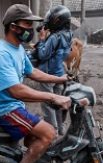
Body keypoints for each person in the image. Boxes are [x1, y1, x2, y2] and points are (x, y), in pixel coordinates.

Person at [0, 4, 71, 163]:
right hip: (2, 108)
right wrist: (53, 96)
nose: (31, 29)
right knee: (49, 133)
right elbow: (16, 90)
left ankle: (25, 161)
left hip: (13, 105)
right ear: (14, 27)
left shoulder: (17, 49)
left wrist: (60, 79)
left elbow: (33, 72)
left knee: (38, 133)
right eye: (27, 24)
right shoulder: (1, 53)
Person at [35, 5, 73, 135]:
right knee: (58, 103)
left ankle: (52, 132)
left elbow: (43, 55)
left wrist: (41, 41)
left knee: (48, 104)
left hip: (48, 74)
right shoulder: (68, 35)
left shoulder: (54, 37)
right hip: (59, 73)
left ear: (58, 21)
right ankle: (60, 129)